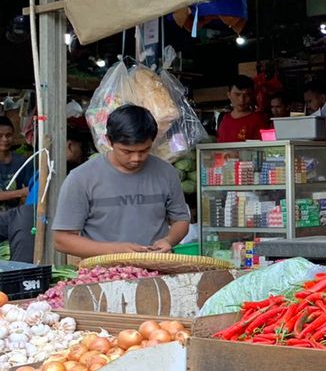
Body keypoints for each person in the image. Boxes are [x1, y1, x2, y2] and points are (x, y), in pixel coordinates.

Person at [53, 104, 191, 258]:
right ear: (109, 141)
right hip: (104, 275)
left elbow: (181, 220)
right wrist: (115, 250)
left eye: (144, 150)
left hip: (157, 270)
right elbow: (61, 240)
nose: (136, 158)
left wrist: (169, 240)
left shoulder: (167, 173)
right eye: (127, 151)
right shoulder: (81, 178)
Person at [217, 75, 269, 142]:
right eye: (237, 94)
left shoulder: (258, 120)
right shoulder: (224, 118)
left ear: (252, 96)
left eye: (247, 95)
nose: (242, 100)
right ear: (229, 95)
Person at [0, 116, 32, 213]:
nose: (5, 139)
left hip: (14, 217)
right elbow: (26, 191)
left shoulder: (22, 162)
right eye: (0, 135)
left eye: (8, 135)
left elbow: (32, 189)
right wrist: (21, 192)